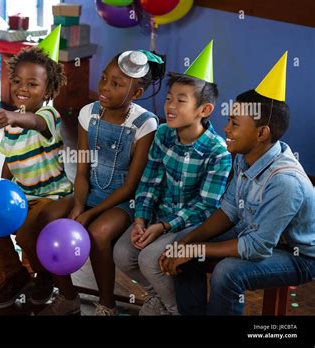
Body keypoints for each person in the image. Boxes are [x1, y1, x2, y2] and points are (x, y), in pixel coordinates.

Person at [159, 52, 315, 315]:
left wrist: (198, 248)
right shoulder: (245, 156)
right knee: (184, 241)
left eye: (234, 123)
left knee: (227, 272)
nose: (226, 129)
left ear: (261, 133)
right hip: (255, 232)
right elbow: (229, 210)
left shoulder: (285, 182)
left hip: (297, 254)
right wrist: (189, 242)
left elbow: (256, 247)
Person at [39, 50, 165, 316]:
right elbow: (82, 170)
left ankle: (107, 304)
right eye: (104, 78)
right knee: (49, 218)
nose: (105, 88)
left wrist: (90, 214)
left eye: (116, 84)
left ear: (137, 93)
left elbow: (131, 185)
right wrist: (78, 206)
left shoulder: (145, 124)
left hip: (124, 201)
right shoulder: (89, 113)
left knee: (97, 233)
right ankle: (68, 295)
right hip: (91, 190)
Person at [113, 41, 232, 315]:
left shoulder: (217, 152)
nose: (170, 106)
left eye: (181, 101)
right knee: (122, 253)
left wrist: (165, 227)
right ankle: (161, 301)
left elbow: (207, 207)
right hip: (159, 217)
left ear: (204, 110)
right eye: (169, 98)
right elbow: (149, 182)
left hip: (192, 225)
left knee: (150, 258)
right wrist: (142, 219)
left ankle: (179, 309)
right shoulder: (164, 133)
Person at [0, 44, 74, 309]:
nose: (22, 88)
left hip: (53, 196)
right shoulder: (12, 125)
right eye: (17, 81)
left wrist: (11, 115)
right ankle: (16, 275)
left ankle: (44, 275)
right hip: (23, 195)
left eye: (32, 84)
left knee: (26, 234)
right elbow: (11, 161)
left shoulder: (49, 115)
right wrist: (0, 191)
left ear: (47, 91)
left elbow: (33, 123)